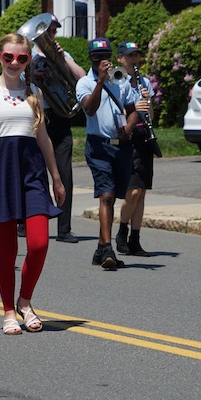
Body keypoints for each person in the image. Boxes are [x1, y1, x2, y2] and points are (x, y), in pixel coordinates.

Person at [0, 33, 65, 335]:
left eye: (21, 58)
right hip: (3, 171)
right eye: (8, 57)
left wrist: (57, 178)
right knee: (7, 249)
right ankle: (9, 311)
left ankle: (25, 301)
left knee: (39, 243)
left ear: (27, 61)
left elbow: (44, 138)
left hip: (32, 172)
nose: (14, 63)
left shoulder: (33, 91)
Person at [76, 37, 137, 270]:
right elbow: (90, 109)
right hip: (98, 146)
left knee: (116, 195)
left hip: (120, 146)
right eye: (97, 57)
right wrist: (100, 81)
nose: (102, 61)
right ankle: (108, 248)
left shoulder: (121, 77)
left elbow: (133, 109)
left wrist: (129, 128)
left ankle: (100, 248)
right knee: (106, 195)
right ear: (90, 58)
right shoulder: (84, 83)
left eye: (105, 56)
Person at [29, 14, 86, 243]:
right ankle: (28, 221)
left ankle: (64, 228)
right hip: (39, 116)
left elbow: (81, 78)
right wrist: (33, 74)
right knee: (34, 170)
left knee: (64, 173)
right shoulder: (29, 56)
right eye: (48, 32)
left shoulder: (63, 54)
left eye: (53, 31)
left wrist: (62, 58)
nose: (51, 36)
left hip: (60, 116)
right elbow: (19, 82)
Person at [113, 41, 156, 257]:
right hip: (126, 136)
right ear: (120, 58)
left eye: (136, 56)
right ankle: (121, 232)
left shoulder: (145, 82)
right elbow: (112, 107)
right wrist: (133, 107)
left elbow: (151, 115)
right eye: (130, 56)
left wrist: (147, 105)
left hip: (143, 137)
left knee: (142, 193)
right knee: (133, 191)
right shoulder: (115, 77)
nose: (134, 60)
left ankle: (135, 239)